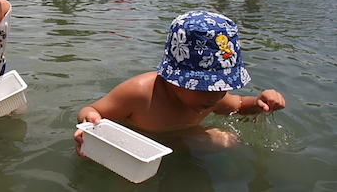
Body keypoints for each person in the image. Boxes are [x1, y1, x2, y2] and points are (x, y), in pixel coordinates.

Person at [74, 10, 286, 156]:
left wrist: (259, 103)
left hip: (177, 145)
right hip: (134, 148)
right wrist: (89, 122)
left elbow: (239, 106)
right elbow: (91, 110)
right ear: (174, 77)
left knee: (227, 142)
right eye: (205, 86)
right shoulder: (139, 94)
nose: (216, 95)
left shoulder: (212, 98)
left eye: (222, 86)